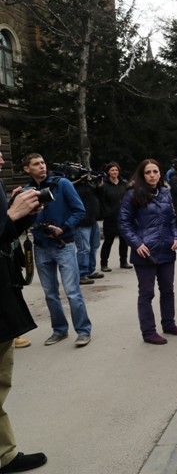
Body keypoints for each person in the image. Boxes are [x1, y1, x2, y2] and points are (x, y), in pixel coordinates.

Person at [0, 145, 47, 473]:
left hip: (3, 294)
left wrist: (23, 216)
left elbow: (3, 237)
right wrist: (10, 216)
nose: (2, 158)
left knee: (2, 381)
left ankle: (5, 455)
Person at [23, 153, 92, 348]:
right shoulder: (27, 191)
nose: (42, 166)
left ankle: (83, 330)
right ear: (27, 169)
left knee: (72, 291)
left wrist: (63, 227)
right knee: (50, 294)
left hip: (64, 244)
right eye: (36, 164)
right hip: (41, 247)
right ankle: (60, 330)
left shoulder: (62, 184)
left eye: (43, 162)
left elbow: (79, 210)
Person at [119, 159, 177, 345]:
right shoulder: (132, 195)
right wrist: (136, 243)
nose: (152, 175)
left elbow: (172, 219)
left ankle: (169, 323)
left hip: (167, 249)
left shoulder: (165, 192)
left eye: (155, 171)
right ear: (142, 174)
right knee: (147, 293)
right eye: (148, 172)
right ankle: (148, 332)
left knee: (168, 290)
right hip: (145, 252)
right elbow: (124, 223)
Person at [98, 162, 132, 271]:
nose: (115, 172)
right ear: (108, 172)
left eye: (116, 170)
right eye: (112, 170)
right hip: (110, 217)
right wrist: (106, 212)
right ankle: (104, 264)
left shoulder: (123, 184)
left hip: (123, 216)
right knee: (108, 241)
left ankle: (123, 261)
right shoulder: (104, 185)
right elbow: (101, 199)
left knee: (124, 240)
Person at [73, 173, 103, 284]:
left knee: (94, 247)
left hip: (93, 220)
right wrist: (81, 180)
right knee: (83, 249)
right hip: (81, 223)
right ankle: (81, 274)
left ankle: (91, 270)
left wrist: (99, 185)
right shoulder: (74, 187)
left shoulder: (88, 186)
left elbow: (99, 195)